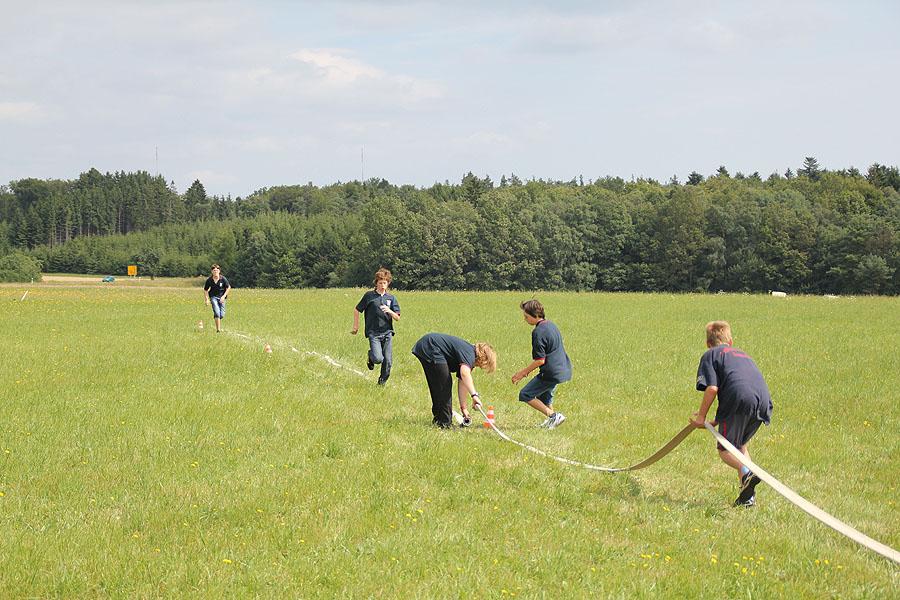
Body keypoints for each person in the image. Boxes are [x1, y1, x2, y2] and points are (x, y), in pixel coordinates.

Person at [690, 321, 773, 508]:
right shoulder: (744, 355)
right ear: (731, 341)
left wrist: (701, 418)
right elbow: (740, 381)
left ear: (707, 343)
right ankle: (747, 498)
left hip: (738, 399)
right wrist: (719, 420)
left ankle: (747, 472)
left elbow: (712, 388)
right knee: (739, 446)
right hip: (763, 400)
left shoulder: (710, 354)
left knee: (726, 451)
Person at [412, 333, 497, 429]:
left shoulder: (468, 355)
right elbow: (465, 373)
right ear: (483, 357)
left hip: (427, 345)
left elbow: (463, 382)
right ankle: (444, 423)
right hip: (431, 346)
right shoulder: (469, 354)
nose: (481, 367)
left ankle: (439, 419)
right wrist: (474, 395)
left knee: (439, 384)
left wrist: (464, 408)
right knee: (444, 384)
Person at [511, 299, 572, 429]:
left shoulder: (538, 332)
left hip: (551, 372)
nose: (525, 319)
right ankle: (553, 421)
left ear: (536, 315)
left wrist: (521, 374)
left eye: (526, 317)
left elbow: (540, 360)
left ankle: (554, 416)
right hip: (562, 369)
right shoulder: (551, 325)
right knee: (545, 398)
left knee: (525, 394)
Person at [351, 268, 400, 385]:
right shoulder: (369, 296)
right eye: (380, 283)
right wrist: (356, 326)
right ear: (376, 283)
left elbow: (397, 317)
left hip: (387, 333)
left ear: (388, 283)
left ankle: (381, 383)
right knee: (378, 359)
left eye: (385, 283)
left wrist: (389, 311)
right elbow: (357, 310)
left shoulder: (391, 298)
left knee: (388, 361)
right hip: (374, 333)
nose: (383, 285)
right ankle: (371, 356)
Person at [203, 264, 231, 333]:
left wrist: (224, 296)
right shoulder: (209, 280)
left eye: (216, 270)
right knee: (217, 312)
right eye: (214, 270)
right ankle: (218, 330)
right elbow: (205, 290)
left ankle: (217, 318)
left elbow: (228, 287)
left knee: (222, 315)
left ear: (219, 271)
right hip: (213, 297)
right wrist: (207, 299)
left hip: (222, 298)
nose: (215, 272)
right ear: (212, 271)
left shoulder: (223, 279)